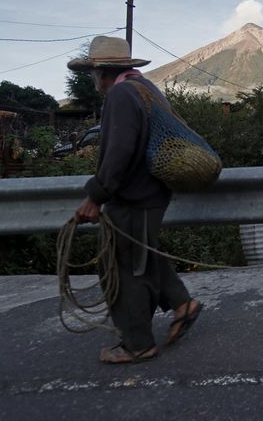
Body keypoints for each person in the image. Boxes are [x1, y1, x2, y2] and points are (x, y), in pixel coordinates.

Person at [71, 36, 202, 363]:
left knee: (124, 269)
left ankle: (137, 344)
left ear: (101, 71)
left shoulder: (120, 94)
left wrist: (95, 196)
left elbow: (118, 152)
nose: (93, 80)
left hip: (133, 197)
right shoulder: (146, 89)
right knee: (142, 253)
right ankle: (181, 303)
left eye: (93, 73)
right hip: (153, 193)